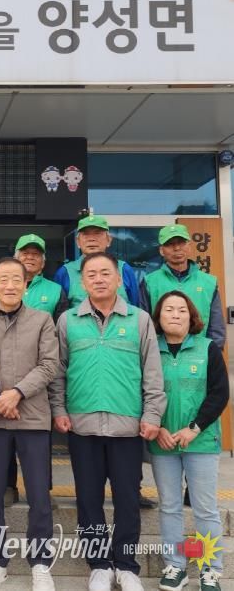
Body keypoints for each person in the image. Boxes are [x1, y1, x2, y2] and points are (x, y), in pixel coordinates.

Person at [50, 252, 166, 591]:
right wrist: (59, 409)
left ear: (118, 279)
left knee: (128, 499)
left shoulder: (140, 320)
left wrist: (152, 415)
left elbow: (153, 373)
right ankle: (99, 564)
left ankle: (127, 565)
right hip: (81, 425)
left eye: (105, 273)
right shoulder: (68, 320)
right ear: (82, 282)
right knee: (88, 499)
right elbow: (58, 372)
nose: (99, 279)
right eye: (91, 275)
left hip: (128, 426)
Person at [0, 258, 58, 591]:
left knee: (39, 493)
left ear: (26, 284)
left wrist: (17, 393)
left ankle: (41, 562)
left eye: (16, 280)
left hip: (32, 416)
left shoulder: (42, 320)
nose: (10, 285)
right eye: (3, 279)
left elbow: (49, 365)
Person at [149, 291, 228, 591]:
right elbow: (141, 390)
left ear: (192, 316)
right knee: (169, 506)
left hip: (201, 442)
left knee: (205, 508)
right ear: (158, 317)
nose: (175, 314)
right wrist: (157, 428)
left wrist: (194, 428)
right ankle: (176, 566)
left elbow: (219, 393)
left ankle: (210, 569)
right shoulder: (150, 349)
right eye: (168, 309)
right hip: (163, 442)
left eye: (181, 310)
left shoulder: (207, 348)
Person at [0, 234, 68, 508]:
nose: (30, 257)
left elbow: (58, 335)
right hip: (3, 376)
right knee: (4, 435)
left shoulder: (55, 290)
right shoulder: (3, 286)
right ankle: (7, 485)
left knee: (39, 439)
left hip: (38, 377)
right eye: (25, 253)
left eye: (35, 254)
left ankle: (42, 489)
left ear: (43, 261)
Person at [141, 224, 226, 350]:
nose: (176, 248)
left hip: (199, 353)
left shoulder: (208, 282)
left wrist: (214, 352)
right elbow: (143, 324)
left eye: (181, 243)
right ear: (161, 250)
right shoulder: (150, 282)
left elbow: (216, 326)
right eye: (170, 244)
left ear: (189, 246)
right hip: (160, 353)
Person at [53, 214, 139, 308]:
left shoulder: (124, 269)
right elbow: (60, 312)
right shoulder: (65, 272)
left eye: (97, 233)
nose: (91, 239)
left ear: (109, 240)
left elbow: (136, 307)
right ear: (78, 241)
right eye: (86, 234)